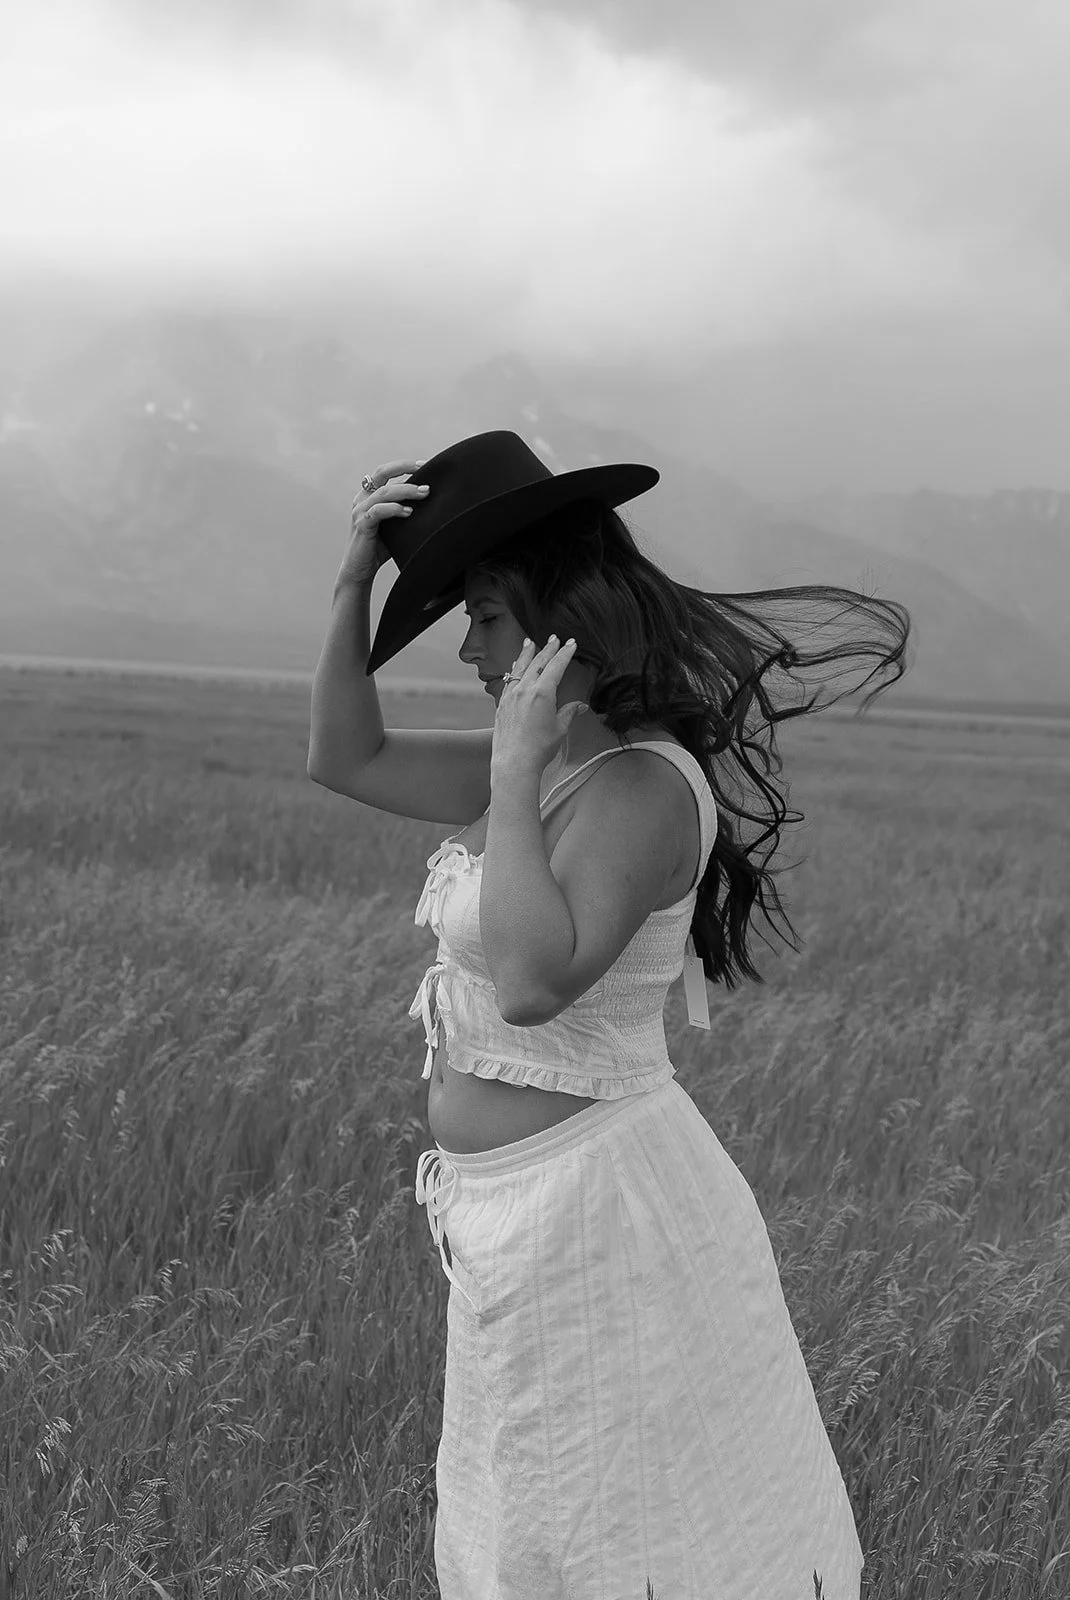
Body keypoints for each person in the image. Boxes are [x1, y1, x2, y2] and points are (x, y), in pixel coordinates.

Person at [307, 430, 910, 1600]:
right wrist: (352, 580)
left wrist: (515, 770)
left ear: (555, 610)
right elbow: (345, 751)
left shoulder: (637, 784)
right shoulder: (544, 762)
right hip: (507, 1214)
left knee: (614, 1531)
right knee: (531, 1521)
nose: (469, 648)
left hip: (600, 1213)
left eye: (483, 615)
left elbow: (533, 983)